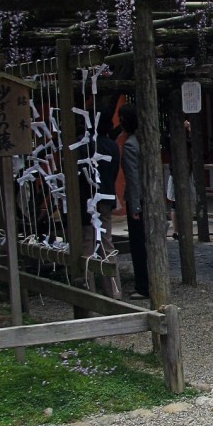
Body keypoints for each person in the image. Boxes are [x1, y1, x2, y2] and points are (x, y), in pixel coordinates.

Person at [80, 116, 121, 298]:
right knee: (107, 243)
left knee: (87, 244)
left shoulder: (81, 145)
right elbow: (114, 171)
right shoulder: (112, 145)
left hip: (86, 199)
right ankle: (113, 290)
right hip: (105, 196)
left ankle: (88, 290)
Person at [119, 105, 149, 300]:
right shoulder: (144, 142)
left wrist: (135, 206)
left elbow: (132, 177)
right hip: (149, 198)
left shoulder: (130, 145)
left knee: (138, 244)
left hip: (138, 200)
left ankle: (143, 285)